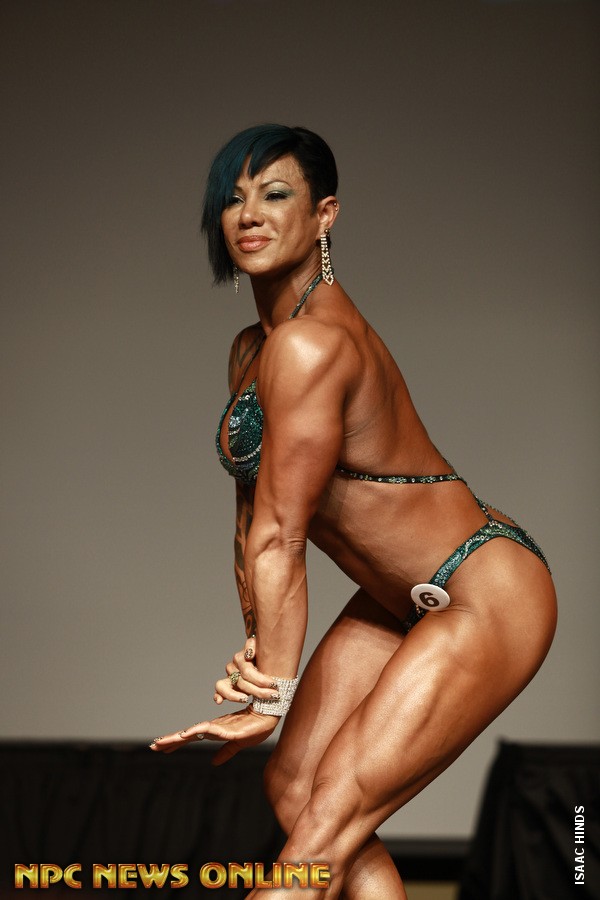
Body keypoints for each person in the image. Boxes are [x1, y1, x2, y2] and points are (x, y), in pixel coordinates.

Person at [150, 124, 557, 898]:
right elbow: (252, 525)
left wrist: (271, 692)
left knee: (324, 827)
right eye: (232, 200)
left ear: (324, 215)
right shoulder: (254, 349)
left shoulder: (313, 347)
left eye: (275, 195)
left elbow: (283, 535)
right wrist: (258, 650)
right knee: (296, 790)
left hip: (484, 589)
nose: (248, 214)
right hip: (398, 598)